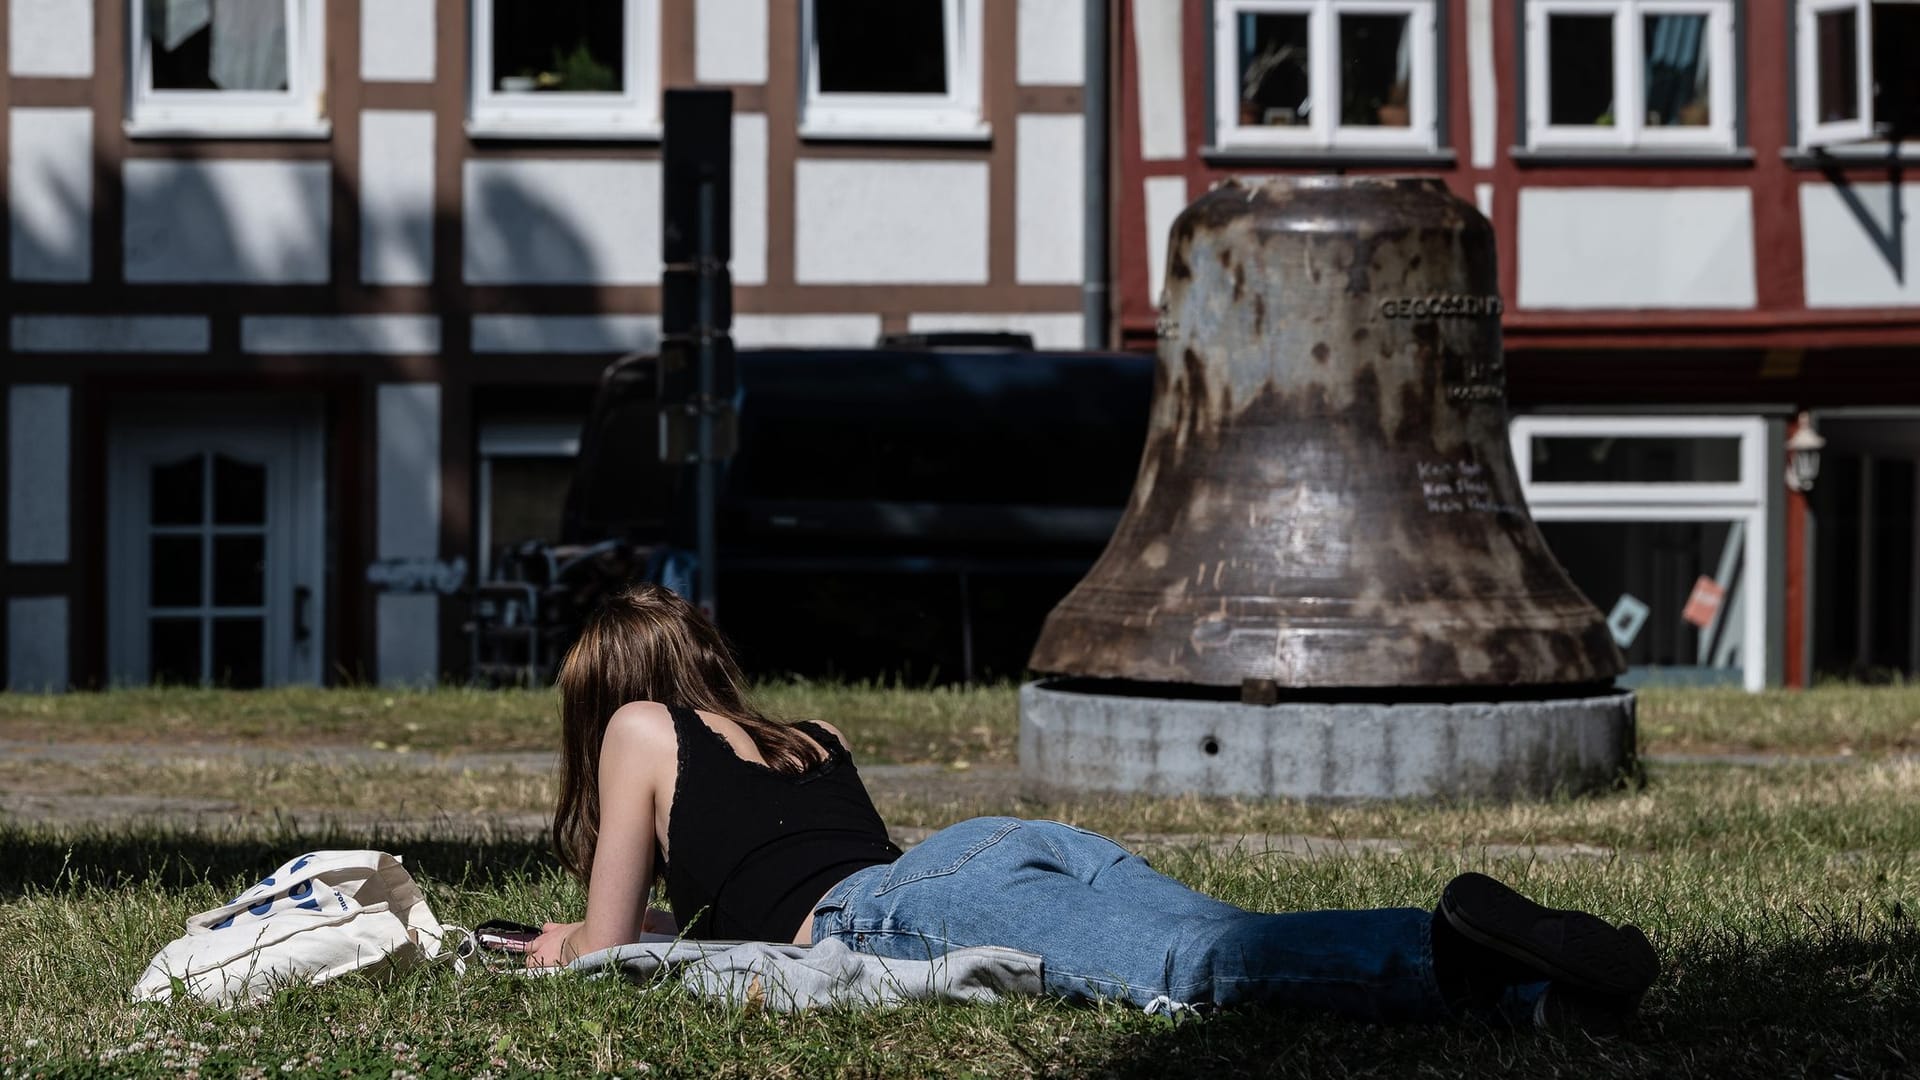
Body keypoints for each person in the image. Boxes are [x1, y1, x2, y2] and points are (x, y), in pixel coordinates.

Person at [527, 584, 1659, 1031]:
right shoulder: (812, 738)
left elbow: (610, 945)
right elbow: (760, 867)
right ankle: (1533, 991)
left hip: (899, 903)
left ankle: (1441, 949)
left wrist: (554, 944)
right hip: (996, 846)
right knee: (1210, 932)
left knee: (1199, 971)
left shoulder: (639, 728)